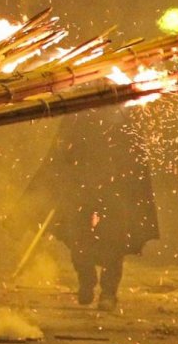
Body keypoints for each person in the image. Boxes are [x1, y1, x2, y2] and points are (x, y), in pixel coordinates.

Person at [35, 108, 158, 310]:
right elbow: (63, 150)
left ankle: (108, 292)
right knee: (80, 238)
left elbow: (134, 153)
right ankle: (86, 279)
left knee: (114, 240)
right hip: (81, 186)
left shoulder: (125, 115)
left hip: (116, 188)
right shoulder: (78, 113)